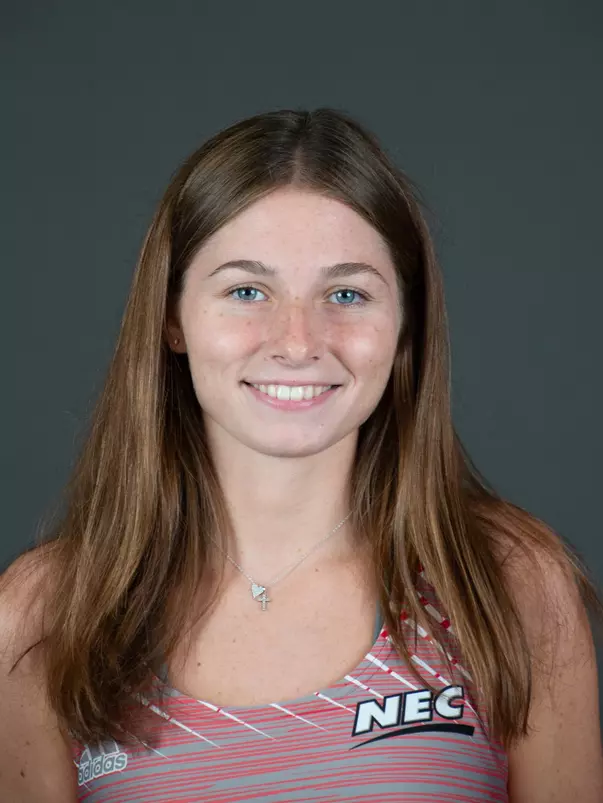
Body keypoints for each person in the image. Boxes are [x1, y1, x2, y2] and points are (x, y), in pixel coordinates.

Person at [1, 107, 602, 802]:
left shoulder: (505, 582)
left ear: (404, 325)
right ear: (173, 318)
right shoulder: (45, 616)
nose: (297, 341)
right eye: (246, 291)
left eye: (346, 293)